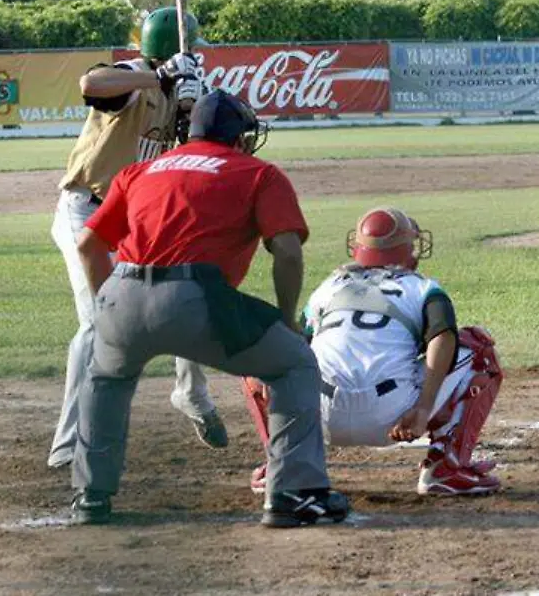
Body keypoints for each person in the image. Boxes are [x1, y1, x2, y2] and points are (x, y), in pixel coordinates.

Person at [68, 89, 349, 528]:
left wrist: (107, 305)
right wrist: (288, 316)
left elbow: (88, 244)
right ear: (238, 138)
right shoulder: (258, 173)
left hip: (123, 290)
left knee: (106, 383)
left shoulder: (141, 170)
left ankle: (90, 497)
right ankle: (293, 493)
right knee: (293, 363)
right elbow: (288, 252)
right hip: (195, 296)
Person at [49, 7, 227, 469]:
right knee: (99, 323)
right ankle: (70, 443)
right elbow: (92, 85)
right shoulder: (135, 77)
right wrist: (160, 75)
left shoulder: (185, 91)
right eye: (191, 51)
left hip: (139, 220)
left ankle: (191, 393)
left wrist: (191, 104)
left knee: (191, 290)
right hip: (88, 211)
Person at [243, 207, 505, 496]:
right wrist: (423, 408)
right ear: (407, 249)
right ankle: (446, 466)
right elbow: (443, 338)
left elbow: (290, 342)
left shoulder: (328, 288)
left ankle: (284, 464)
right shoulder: (422, 288)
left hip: (318, 415)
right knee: (479, 350)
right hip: (394, 416)